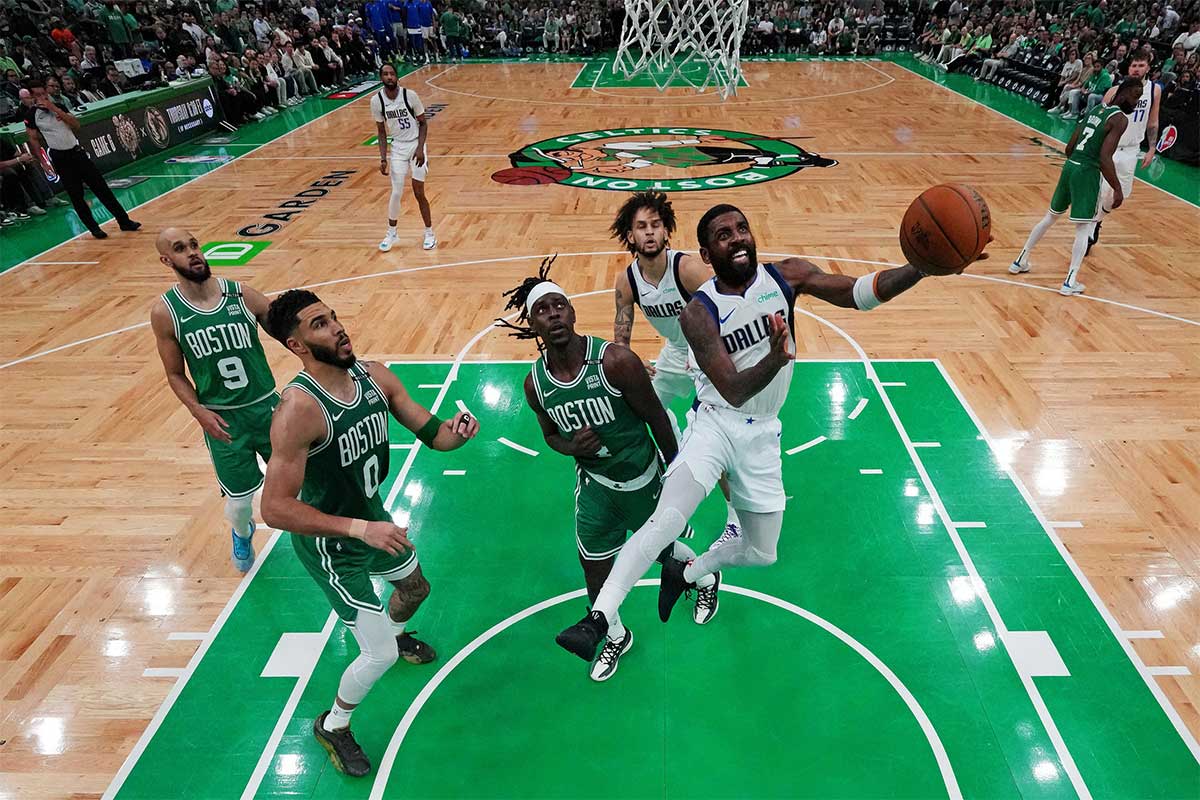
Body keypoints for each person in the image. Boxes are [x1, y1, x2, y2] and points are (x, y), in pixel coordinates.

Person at [555, 203, 981, 663]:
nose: (736, 237)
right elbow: (733, 391)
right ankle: (597, 619)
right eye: (723, 234)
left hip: (762, 435)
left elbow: (859, 292)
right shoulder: (698, 313)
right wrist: (776, 358)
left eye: (741, 228)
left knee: (761, 553)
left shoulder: (787, 277)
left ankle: (695, 571)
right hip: (714, 422)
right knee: (666, 520)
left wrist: (921, 267)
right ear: (706, 252)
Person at [261, 288, 478, 776]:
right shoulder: (299, 411)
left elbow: (434, 433)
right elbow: (274, 508)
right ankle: (334, 725)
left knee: (416, 588)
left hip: (371, 519)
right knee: (374, 653)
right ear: (296, 345)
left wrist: (456, 433)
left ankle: (395, 634)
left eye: (333, 317)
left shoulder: (374, 376)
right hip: (332, 545)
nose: (337, 327)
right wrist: (360, 529)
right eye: (319, 324)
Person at [502, 259, 713, 680]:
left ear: (573, 312)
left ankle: (705, 576)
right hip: (596, 489)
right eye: (543, 311)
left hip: (643, 478)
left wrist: (674, 477)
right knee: (595, 568)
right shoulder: (535, 384)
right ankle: (614, 634)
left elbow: (656, 416)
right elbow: (549, 436)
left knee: (661, 554)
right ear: (532, 324)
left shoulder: (614, 361)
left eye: (560, 306)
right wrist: (570, 446)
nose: (554, 315)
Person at [610, 191, 743, 544]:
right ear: (631, 235)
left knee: (714, 433)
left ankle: (736, 516)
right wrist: (631, 358)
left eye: (656, 225)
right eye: (641, 227)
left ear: (666, 231)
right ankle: (660, 482)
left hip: (709, 351)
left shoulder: (685, 269)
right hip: (674, 353)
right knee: (633, 410)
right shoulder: (628, 281)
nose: (650, 232)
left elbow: (726, 312)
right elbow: (621, 336)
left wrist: (708, 353)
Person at [150, 228, 277, 571]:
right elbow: (175, 374)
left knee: (308, 476)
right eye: (180, 248)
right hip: (222, 419)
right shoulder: (166, 312)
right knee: (238, 505)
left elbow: (286, 327)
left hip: (267, 406)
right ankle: (242, 531)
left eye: (194, 245)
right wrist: (198, 412)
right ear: (166, 260)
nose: (192, 252)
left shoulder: (241, 295)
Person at [1009, 78, 1145, 296]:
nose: (1137, 102)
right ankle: (1070, 281)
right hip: (1087, 171)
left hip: (1070, 166)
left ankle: (1019, 260)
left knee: (1050, 217)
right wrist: (1117, 188)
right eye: (1136, 96)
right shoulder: (1119, 119)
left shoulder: (1097, 109)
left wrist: (1075, 164)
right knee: (1085, 227)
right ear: (1125, 92)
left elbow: (1070, 146)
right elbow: (1104, 157)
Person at [23, 80, 140, 239]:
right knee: (76, 195)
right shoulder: (31, 116)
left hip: (77, 152)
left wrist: (55, 109)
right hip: (60, 157)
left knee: (101, 188)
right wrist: (43, 161)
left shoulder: (59, 107)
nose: (42, 97)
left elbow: (76, 125)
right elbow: (33, 139)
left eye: (43, 94)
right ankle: (94, 228)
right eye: (38, 95)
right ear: (32, 96)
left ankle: (124, 221)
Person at [1088, 49, 1161, 252]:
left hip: (1131, 150)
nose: (1137, 69)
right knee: (1100, 193)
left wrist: (1152, 148)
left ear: (1148, 67)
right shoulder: (1114, 91)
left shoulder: (1154, 90)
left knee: (1117, 198)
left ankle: (1097, 221)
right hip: (1109, 149)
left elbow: (1153, 121)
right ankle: (1090, 229)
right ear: (1129, 68)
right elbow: (1099, 119)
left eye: (1141, 65)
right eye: (1134, 65)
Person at [372, 63, 435, 252]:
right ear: (381, 78)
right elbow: (381, 132)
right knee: (396, 192)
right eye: (385, 74)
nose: (389, 76)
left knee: (418, 192)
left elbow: (423, 124)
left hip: (416, 144)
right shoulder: (377, 101)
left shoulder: (410, 96)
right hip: (398, 148)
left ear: (397, 76)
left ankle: (430, 232)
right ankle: (392, 232)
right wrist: (383, 158)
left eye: (392, 73)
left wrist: (420, 149)